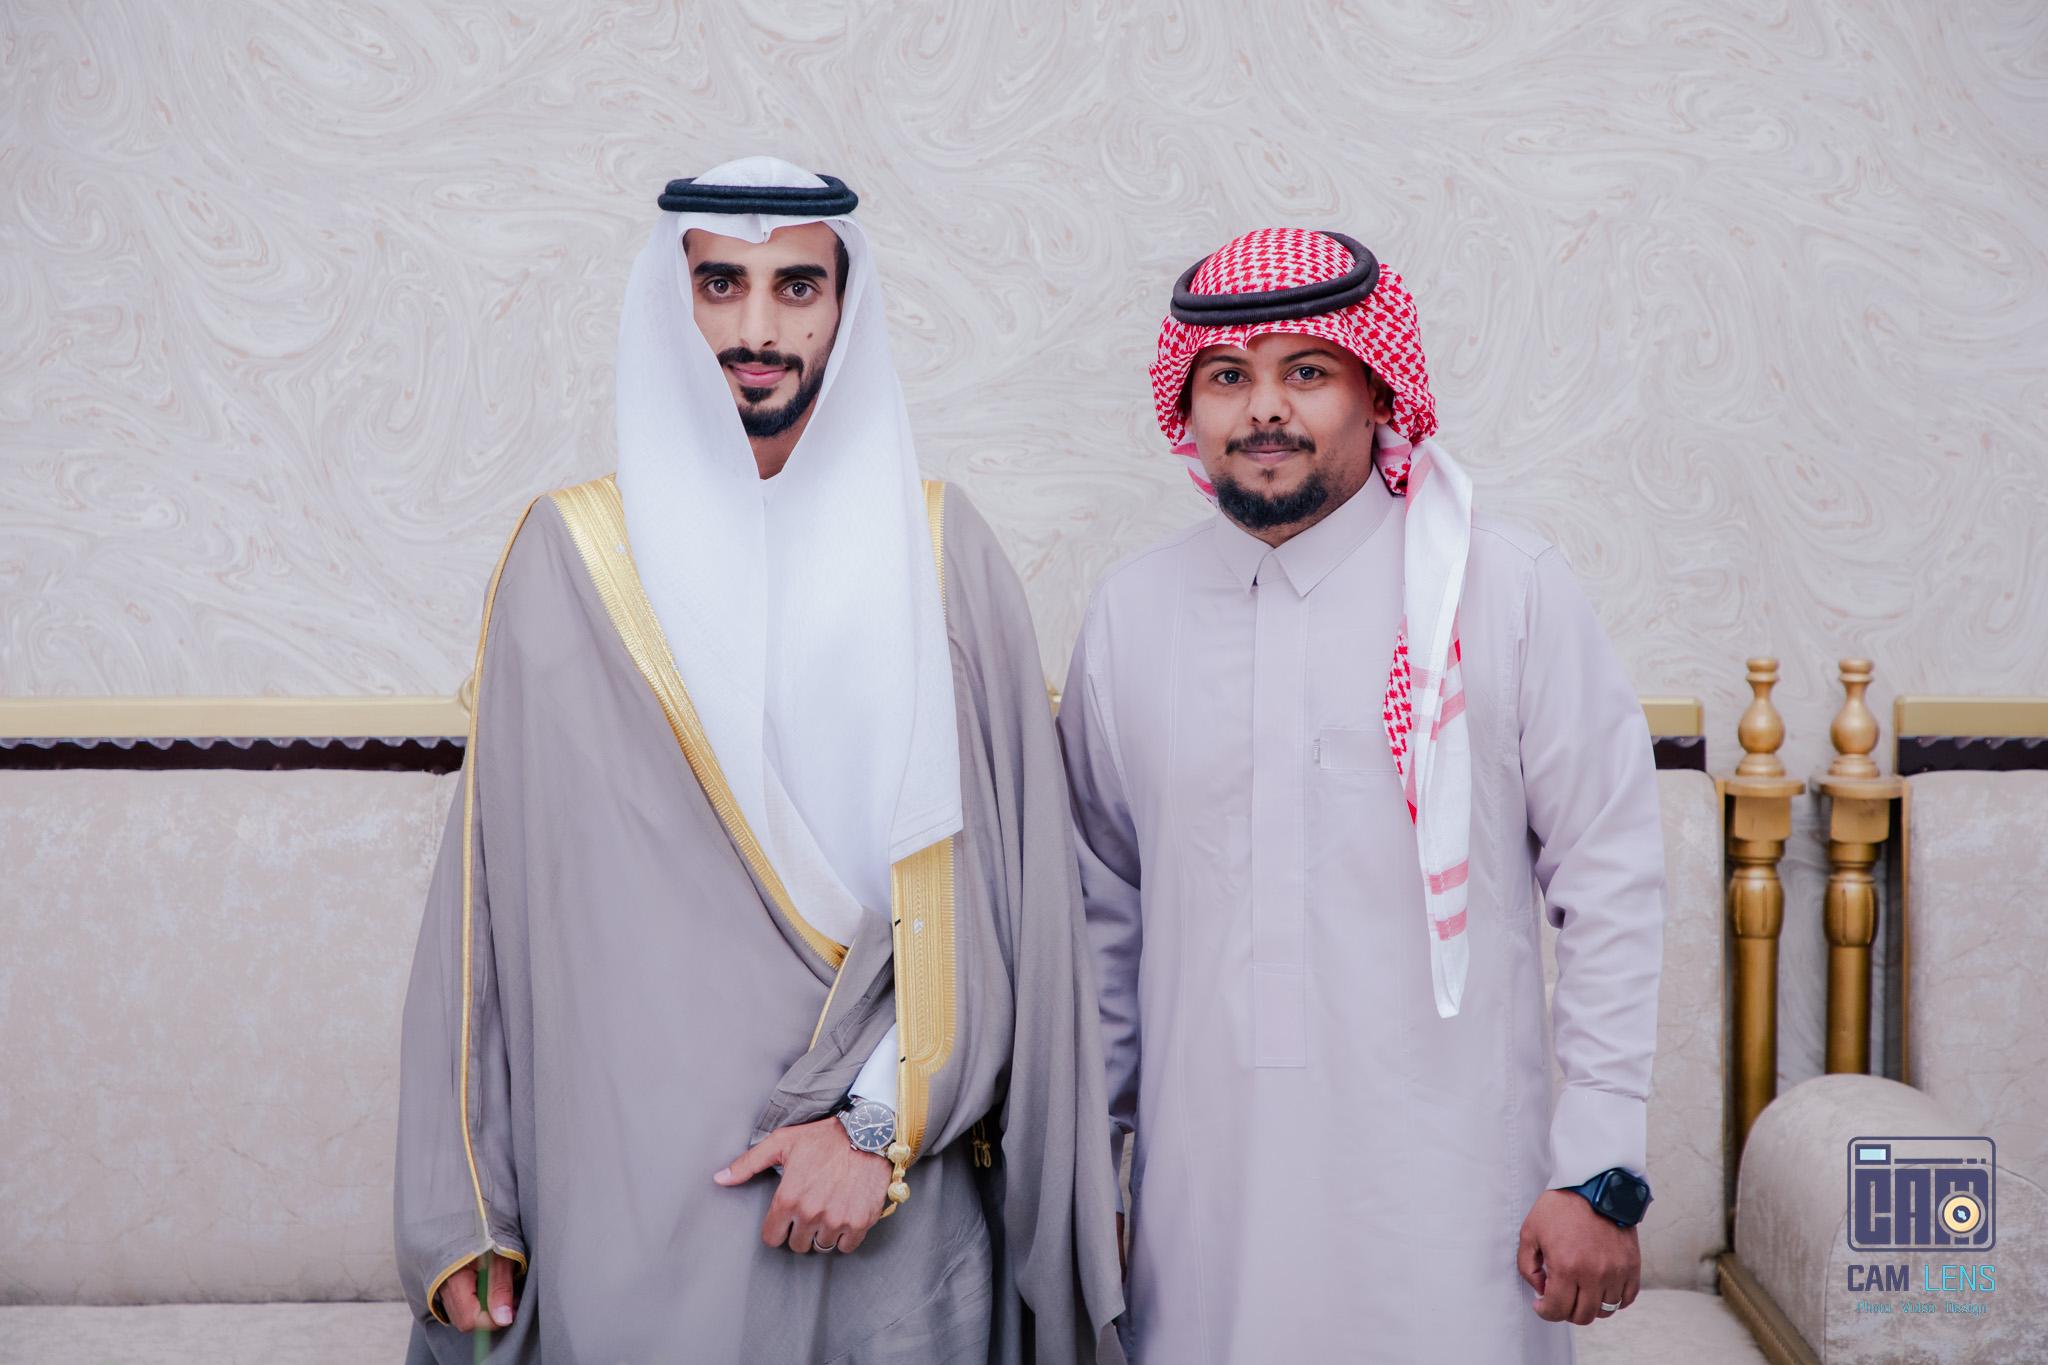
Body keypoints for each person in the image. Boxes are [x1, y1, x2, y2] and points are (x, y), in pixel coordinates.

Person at [395, 157, 1123, 1364]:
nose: (756, 328)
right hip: (628, 1196)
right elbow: (486, 913)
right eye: (719, 284)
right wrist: (466, 1211)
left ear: (845, 306)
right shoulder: (567, 560)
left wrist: (875, 1125)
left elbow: (1007, 909)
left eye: (797, 286)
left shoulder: (940, 553)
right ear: (668, 302)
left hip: (880, 1190)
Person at [1056, 228, 1665, 1362]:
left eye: (1306, 371)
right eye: (1226, 376)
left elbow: (1609, 878)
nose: (1262, 408)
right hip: (1206, 1217)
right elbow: (1099, 929)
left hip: (1456, 1206)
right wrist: (1089, 1185)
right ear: (1186, 406)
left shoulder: (1504, 590)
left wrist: (1597, 1168)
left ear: (1378, 390)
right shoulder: (1131, 616)